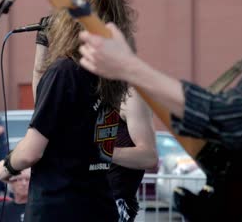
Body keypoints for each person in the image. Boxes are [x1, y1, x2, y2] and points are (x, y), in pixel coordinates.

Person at [78, 0, 242, 221]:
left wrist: (130, 67)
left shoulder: (128, 95)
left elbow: (237, 116)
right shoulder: (86, 89)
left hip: (113, 205)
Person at [0, 0, 155, 222]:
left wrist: (7, 167)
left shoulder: (65, 72)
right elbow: (49, 106)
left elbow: (30, 152)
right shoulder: (111, 77)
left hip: (59, 207)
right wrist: (42, 44)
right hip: (98, 205)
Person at [35, 15, 157, 222]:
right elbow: (41, 97)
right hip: (78, 196)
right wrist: (42, 41)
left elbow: (149, 157)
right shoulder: (84, 87)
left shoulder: (128, 92)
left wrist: (100, 150)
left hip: (113, 200)